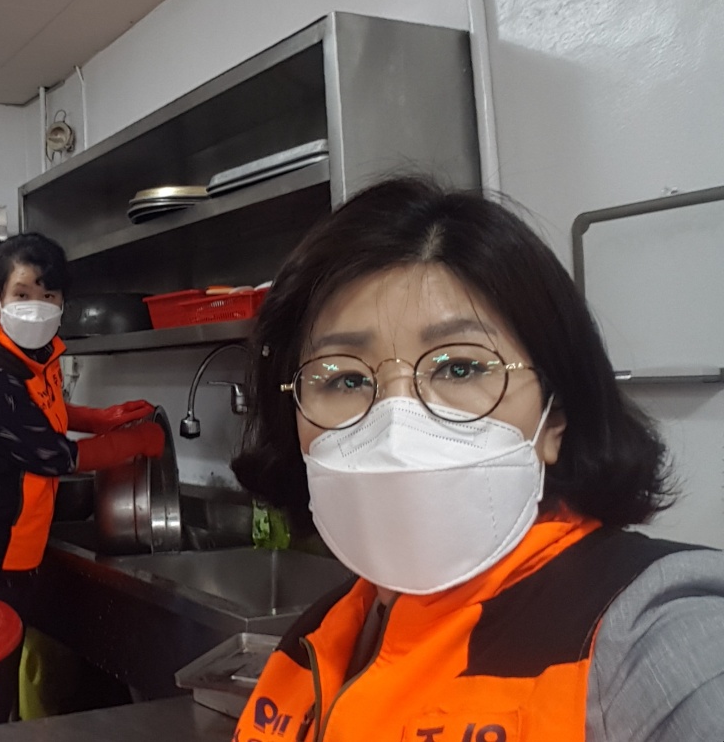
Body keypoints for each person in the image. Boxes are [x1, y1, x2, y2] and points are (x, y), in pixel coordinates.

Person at [229, 176, 724, 741]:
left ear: (554, 417)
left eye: (459, 368)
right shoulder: (322, 633)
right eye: (344, 378)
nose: (396, 427)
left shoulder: (647, 631)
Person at [0, 232, 167, 725]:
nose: (36, 305)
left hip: (4, 553)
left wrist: (99, 418)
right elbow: (55, 456)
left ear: (62, 302)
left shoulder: (31, 351)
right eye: (22, 293)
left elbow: (39, 411)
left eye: (48, 294)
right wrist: (137, 442)